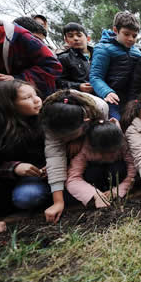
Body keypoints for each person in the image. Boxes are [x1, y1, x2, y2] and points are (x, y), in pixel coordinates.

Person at [40, 89, 109, 223]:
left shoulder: (100, 108)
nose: (65, 140)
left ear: (86, 121)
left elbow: (100, 135)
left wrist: (81, 144)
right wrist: (58, 202)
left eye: (68, 137)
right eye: (61, 138)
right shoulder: (51, 116)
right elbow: (54, 157)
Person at [0, 80, 50, 216]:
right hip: (20, 181)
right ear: (9, 105)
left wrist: (53, 165)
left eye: (35, 94)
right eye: (27, 98)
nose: (37, 100)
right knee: (27, 196)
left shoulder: (47, 118)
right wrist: (14, 168)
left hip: (58, 172)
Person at [0, 17, 62, 107]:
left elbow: (53, 67)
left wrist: (17, 79)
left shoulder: (20, 36)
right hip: (5, 110)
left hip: (37, 104)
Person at [66, 120, 135, 208]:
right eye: (105, 151)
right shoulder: (85, 150)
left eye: (113, 150)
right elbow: (73, 179)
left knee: (117, 168)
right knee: (93, 172)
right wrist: (94, 194)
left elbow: (132, 167)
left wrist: (119, 190)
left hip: (116, 177)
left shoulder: (122, 143)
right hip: (95, 181)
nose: (109, 154)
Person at [90, 11, 141, 119]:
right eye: (126, 34)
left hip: (131, 99)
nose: (131, 39)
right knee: (116, 125)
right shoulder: (103, 48)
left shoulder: (137, 53)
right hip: (111, 98)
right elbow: (95, 77)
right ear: (115, 30)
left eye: (134, 35)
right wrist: (107, 92)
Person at [56, 22, 93, 93]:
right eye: (70, 36)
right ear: (66, 40)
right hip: (80, 96)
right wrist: (78, 86)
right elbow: (59, 82)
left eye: (79, 35)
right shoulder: (63, 58)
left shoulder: (99, 54)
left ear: (88, 38)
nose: (75, 38)